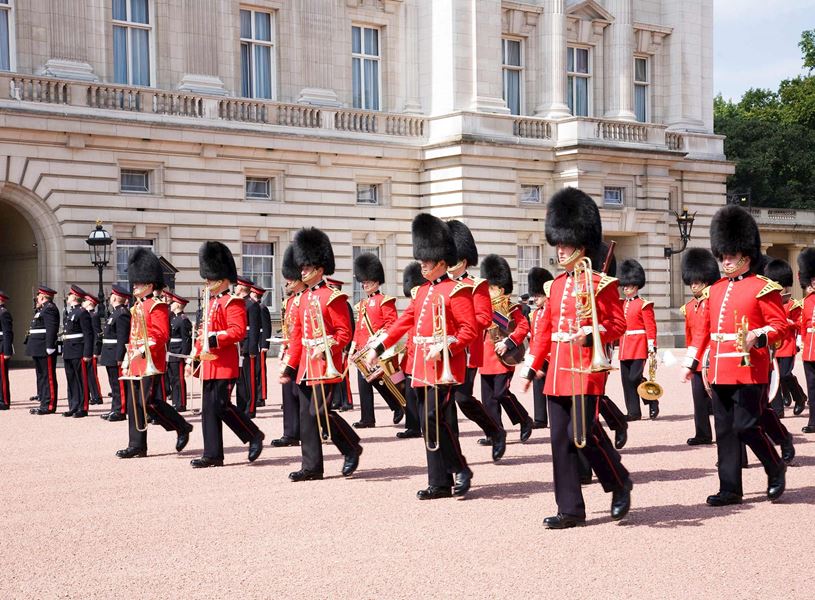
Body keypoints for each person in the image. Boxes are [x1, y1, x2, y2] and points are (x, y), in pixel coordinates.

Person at [522, 187, 632, 528]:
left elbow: (618, 324)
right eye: (558, 244)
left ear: (581, 245)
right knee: (559, 442)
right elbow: (545, 332)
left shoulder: (602, 284)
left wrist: (592, 334)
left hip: (586, 368)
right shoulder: (554, 286)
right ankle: (570, 508)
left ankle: (618, 482)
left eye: (565, 244)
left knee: (583, 435)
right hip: (557, 372)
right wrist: (531, 366)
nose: (560, 249)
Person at [681, 205, 787, 505]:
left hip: (750, 368)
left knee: (747, 425)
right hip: (719, 369)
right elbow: (703, 331)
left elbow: (780, 326)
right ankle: (729, 488)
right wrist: (691, 362)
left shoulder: (763, 288)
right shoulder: (714, 290)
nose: (725, 260)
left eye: (730, 255)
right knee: (724, 429)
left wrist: (759, 335)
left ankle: (774, 465)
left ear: (746, 255)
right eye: (723, 255)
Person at [365, 214, 478, 499]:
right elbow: (403, 322)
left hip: (443, 366)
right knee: (429, 424)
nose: (422, 264)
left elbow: (470, 330)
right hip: (421, 366)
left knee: (432, 418)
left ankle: (460, 468)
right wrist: (378, 348)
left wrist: (448, 345)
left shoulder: (457, 290)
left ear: (441, 260)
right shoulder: (423, 292)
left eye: (426, 260)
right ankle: (439, 482)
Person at [280, 228, 363, 481]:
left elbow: (343, 334)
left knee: (319, 413)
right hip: (306, 364)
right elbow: (296, 338)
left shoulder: (332, 297)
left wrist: (327, 346)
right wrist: (289, 367)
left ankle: (350, 446)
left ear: (319, 268)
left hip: (326, 364)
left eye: (306, 267)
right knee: (307, 418)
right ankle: (312, 467)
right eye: (301, 267)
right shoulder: (301, 298)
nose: (301, 271)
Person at [187, 242, 266, 467]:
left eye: (210, 279)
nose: (207, 283)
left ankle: (253, 435)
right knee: (208, 409)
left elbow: (237, 332)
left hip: (224, 362)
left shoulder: (233, 302)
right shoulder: (211, 303)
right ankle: (212, 453)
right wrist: (194, 357)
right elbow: (202, 333)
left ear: (222, 280)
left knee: (221, 405)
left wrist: (213, 339)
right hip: (209, 363)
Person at [116, 248, 194, 459]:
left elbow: (160, 336)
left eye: (138, 283)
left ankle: (181, 425)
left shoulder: (156, 306)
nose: (134, 286)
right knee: (135, 403)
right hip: (135, 359)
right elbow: (133, 335)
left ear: (149, 285)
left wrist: (143, 348)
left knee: (147, 402)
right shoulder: (137, 307)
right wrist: (127, 357)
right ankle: (137, 445)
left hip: (151, 359)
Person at [446, 219, 508, 461]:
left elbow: (484, 317)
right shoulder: (442, 286)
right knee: (446, 403)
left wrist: (461, 325)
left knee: (462, 398)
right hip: (446, 350)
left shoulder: (476, 285)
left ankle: (495, 430)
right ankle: (454, 454)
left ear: (461, 261)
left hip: (468, 349)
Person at [479, 254, 534, 443]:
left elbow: (523, 327)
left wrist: (508, 343)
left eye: (491, 288)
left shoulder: (511, 308)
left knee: (501, 394)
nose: (487, 291)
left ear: (500, 289)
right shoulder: (483, 307)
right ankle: (495, 433)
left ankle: (524, 419)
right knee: (488, 400)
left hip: (503, 358)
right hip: (485, 357)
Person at [350, 252, 404, 429]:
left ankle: (398, 406)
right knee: (364, 385)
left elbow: (392, 324)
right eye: (363, 283)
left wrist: (378, 337)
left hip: (378, 349)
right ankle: (367, 418)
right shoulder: (362, 304)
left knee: (381, 382)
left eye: (368, 282)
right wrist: (353, 348)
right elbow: (359, 329)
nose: (365, 285)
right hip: (362, 351)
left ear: (376, 282)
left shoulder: (385, 301)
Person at [680, 248, 719, 445]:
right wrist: (690, 358)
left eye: (698, 282)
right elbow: (690, 336)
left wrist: (689, 361)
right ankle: (702, 433)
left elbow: (703, 332)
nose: (694, 285)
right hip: (697, 359)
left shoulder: (711, 302)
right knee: (698, 399)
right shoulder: (689, 307)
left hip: (711, 357)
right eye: (692, 282)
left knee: (719, 400)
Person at [763, 259, 807, 417]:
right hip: (773, 346)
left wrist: (788, 323)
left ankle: (799, 397)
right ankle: (778, 410)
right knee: (775, 377)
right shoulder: (769, 303)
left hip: (787, 345)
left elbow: (800, 325)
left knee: (786, 374)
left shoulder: (794, 305)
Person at [617, 259, 659, 421]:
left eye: (627, 286)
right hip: (624, 345)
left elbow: (650, 326)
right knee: (626, 381)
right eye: (624, 286)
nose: (625, 288)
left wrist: (651, 345)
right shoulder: (620, 304)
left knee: (635, 377)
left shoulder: (644, 305)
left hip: (639, 345)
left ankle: (652, 399)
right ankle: (633, 412)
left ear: (635, 286)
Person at [270, 245, 302, 448]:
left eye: (290, 278)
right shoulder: (288, 302)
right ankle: (290, 432)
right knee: (288, 395)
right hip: (290, 351)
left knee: (304, 397)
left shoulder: (305, 299)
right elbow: (288, 329)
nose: (287, 282)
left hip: (304, 353)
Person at [396, 261, 424, 439]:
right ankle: (412, 425)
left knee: (418, 393)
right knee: (406, 391)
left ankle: (422, 425)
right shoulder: (412, 305)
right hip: (409, 355)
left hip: (421, 355)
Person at [525, 267, 553, 428]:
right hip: (538, 353)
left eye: (538, 296)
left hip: (550, 354)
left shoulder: (551, 310)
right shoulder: (534, 314)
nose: (535, 299)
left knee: (551, 388)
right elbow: (535, 336)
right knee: (538, 386)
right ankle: (540, 418)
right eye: (534, 296)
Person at [99, 285, 132, 422]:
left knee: (119, 385)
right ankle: (115, 408)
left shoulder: (122, 313)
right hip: (109, 352)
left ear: (116, 297)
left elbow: (122, 337)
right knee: (113, 384)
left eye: (112, 295)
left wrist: (120, 356)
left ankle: (121, 410)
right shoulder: (115, 313)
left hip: (115, 353)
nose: (110, 297)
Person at [62, 285, 94, 418]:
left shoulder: (82, 312)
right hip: (69, 349)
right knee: (71, 380)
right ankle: (74, 405)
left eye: (69, 295)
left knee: (81, 380)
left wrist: (87, 353)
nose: (67, 297)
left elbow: (88, 334)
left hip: (78, 350)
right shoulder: (71, 312)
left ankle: (82, 407)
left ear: (74, 297)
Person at [27, 286, 60, 414]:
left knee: (48, 377)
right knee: (42, 376)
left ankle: (49, 405)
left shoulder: (49, 309)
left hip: (45, 348)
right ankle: (44, 403)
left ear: (42, 297)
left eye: (39, 295)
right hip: (38, 347)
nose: (37, 298)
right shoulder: (43, 309)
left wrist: (50, 346)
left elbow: (51, 329)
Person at [235, 276, 261, 418]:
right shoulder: (238, 303)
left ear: (241, 287)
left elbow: (254, 329)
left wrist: (252, 349)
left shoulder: (252, 304)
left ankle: (250, 408)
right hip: (238, 345)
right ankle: (241, 405)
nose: (235, 287)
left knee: (250, 378)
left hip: (247, 346)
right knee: (240, 379)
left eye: (237, 285)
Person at [797, 248, 815, 434]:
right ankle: (813, 421)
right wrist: (801, 342)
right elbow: (804, 324)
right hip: (810, 350)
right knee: (812, 388)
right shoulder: (807, 301)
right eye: (812, 279)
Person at [166, 291, 192, 412]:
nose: (170, 305)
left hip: (179, 352)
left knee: (179, 379)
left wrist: (186, 355)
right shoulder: (174, 318)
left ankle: (181, 403)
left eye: (173, 303)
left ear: (177, 305)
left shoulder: (183, 320)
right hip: (172, 352)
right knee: (173, 378)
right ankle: (175, 401)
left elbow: (186, 339)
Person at [250, 283, 270, 408]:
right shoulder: (254, 307)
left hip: (260, 342)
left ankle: (261, 396)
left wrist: (264, 344)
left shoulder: (262, 308)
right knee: (253, 370)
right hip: (254, 340)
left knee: (260, 370)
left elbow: (266, 327)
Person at [82, 293, 104, 406]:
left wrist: (96, 351)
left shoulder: (93, 316)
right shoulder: (86, 315)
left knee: (92, 374)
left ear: (90, 302)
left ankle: (97, 396)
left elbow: (97, 334)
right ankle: (92, 395)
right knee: (87, 374)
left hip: (92, 350)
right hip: (87, 348)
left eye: (85, 301)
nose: (83, 303)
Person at [0, 290, 13, 410]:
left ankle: (4, 401)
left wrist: (8, 351)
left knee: (2, 376)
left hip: (2, 348)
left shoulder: (3, 313)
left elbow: (7, 333)